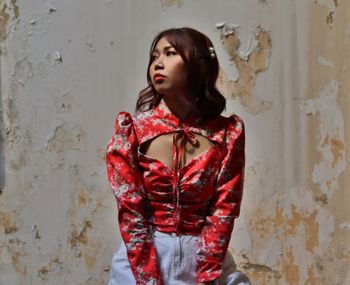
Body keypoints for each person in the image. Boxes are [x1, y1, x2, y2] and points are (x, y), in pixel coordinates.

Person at [106, 27, 251, 285]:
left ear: (198, 65)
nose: (157, 63)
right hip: (142, 258)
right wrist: (148, 278)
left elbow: (224, 209)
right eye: (154, 57)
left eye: (169, 53)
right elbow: (131, 212)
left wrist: (207, 275)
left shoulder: (226, 134)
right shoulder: (133, 131)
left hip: (205, 258)